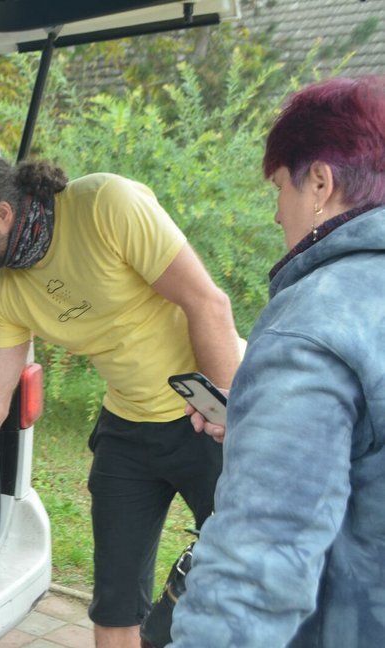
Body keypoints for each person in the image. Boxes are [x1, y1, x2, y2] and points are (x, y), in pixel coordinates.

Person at [0, 150, 243, 648]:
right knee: (115, 601)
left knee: (242, 582)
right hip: (128, 431)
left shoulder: (105, 205)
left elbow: (207, 302)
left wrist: (233, 418)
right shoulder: (6, 294)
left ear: (3, 214)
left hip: (207, 418)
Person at [169, 75, 385, 647]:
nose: (275, 217)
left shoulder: (312, 324)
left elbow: (261, 558)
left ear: (319, 182)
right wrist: (254, 424)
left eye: (279, 191)